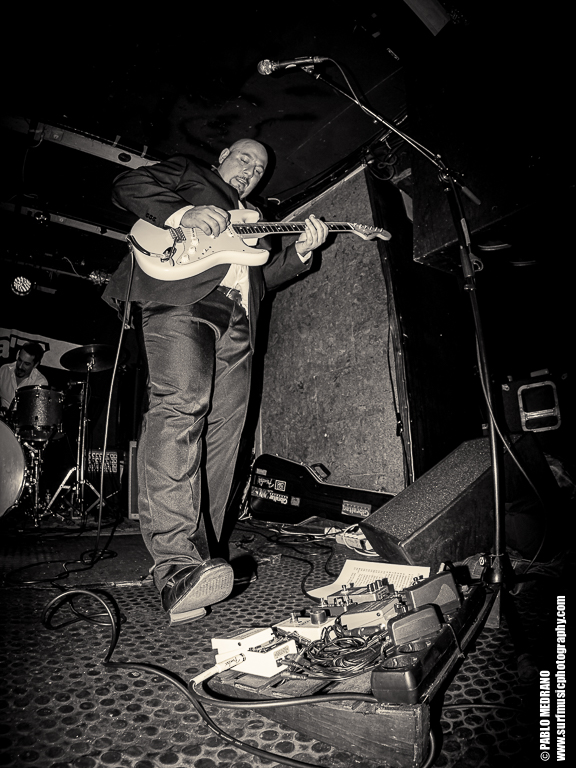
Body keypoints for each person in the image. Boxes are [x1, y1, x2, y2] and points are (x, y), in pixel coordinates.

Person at [103, 139, 328, 625]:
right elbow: (128, 185)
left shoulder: (257, 217)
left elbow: (262, 276)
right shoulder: (192, 174)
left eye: (260, 168)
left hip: (240, 318)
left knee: (227, 435)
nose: (251, 170)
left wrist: (300, 253)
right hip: (183, 299)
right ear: (222, 156)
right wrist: (183, 213)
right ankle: (175, 566)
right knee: (180, 408)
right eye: (244, 159)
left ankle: (203, 560)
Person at [0, 342, 48, 417]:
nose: (20, 366)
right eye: (19, 360)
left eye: (26, 364)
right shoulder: (4, 370)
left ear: (35, 364)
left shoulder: (41, 382)